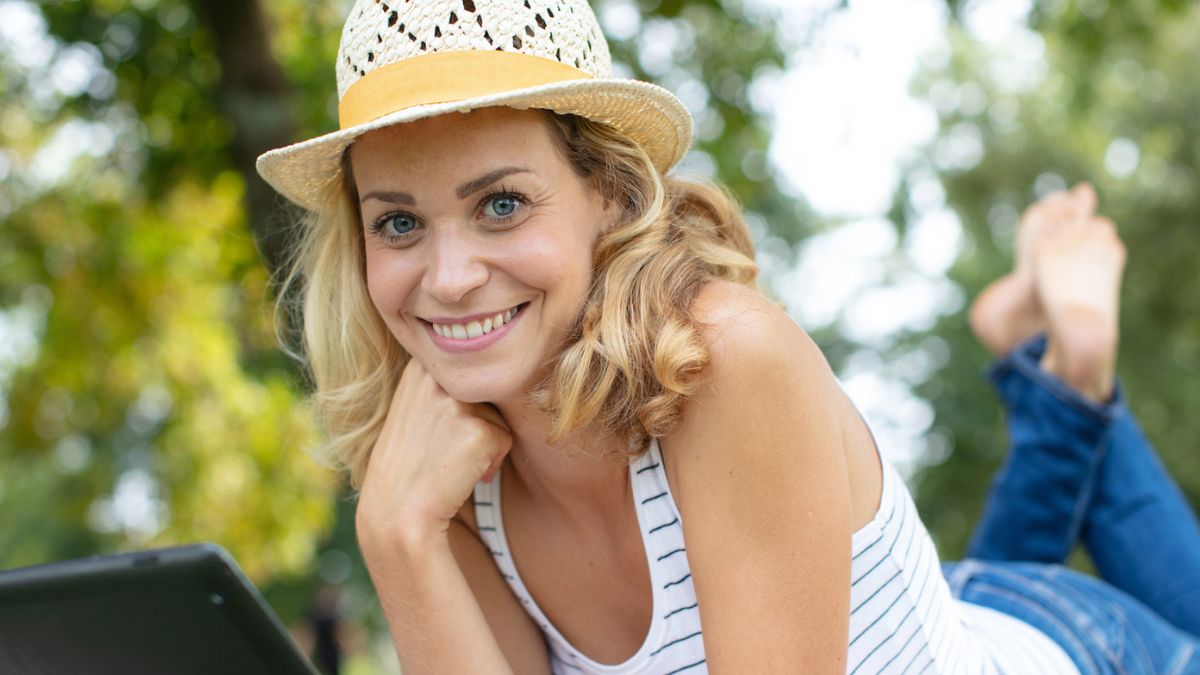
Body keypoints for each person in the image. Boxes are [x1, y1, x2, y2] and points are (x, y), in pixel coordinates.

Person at [254, 0, 1200, 672]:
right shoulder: (437, 465)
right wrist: (395, 533)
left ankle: (1070, 373)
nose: (449, 276)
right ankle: (1064, 377)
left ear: (610, 197)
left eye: (501, 204)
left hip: (1087, 651)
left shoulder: (723, 361)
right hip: (935, 621)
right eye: (399, 223)